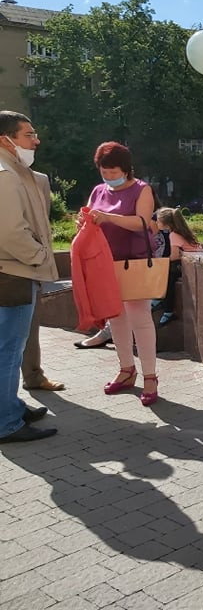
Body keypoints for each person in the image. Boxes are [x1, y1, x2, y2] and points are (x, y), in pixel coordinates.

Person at [81, 141, 161, 406]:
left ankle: (150, 377)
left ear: (126, 169)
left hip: (134, 262)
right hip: (104, 263)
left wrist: (108, 217)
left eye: (114, 172)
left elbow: (141, 222)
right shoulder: (98, 190)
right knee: (115, 318)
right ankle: (126, 369)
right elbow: (91, 217)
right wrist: (84, 221)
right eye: (104, 173)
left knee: (140, 319)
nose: (109, 178)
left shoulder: (142, 189)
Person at [0, 110, 58, 443]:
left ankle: (10, 405)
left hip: (12, 271)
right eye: (28, 135)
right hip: (13, 273)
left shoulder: (13, 170)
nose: (35, 140)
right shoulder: (5, 174)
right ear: (5, 140)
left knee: (7, 350)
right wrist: (40, 257)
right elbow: (11, 232)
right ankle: (7, 422)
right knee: (9, 351)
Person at [21, 169, 65, 390]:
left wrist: (39, 256)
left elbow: (41, 225)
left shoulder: (39, 179)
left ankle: (33, 375)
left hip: (28, 264)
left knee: (29, 324)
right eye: (28, 135)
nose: (35, 141)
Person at [153, 207, 202, 327]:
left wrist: (161, 262)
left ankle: (167, 309)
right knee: (166, 271)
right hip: (195, 263)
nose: (156, 223)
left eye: (158, 221)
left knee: (167, 273)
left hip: (191, 265)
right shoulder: (182, 232)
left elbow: (174, 257)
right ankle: (161, 301)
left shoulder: (173, 235)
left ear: (166, 223)